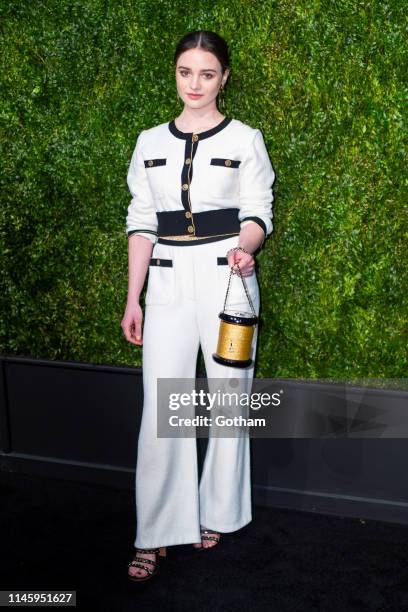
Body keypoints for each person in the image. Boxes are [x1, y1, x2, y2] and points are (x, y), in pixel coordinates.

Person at [121, 30, 275, 582]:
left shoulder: (246, 138)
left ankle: (218, 514)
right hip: (164, 286)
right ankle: (158, 530)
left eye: (207, 74)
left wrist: (245, 249)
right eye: (187, 72)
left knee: (230, 401)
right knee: (163, 409)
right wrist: (132, 297)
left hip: (228, 285)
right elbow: (141, 222)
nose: (195, 84)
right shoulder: (147, 142)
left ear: (224, 77)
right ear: (175, 72)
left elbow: (259, 211)